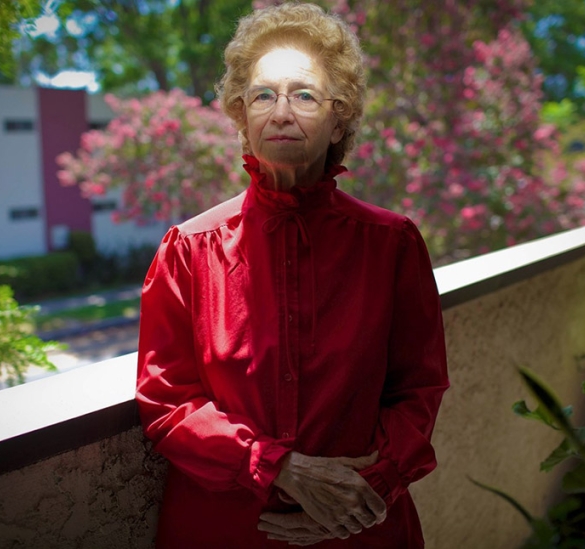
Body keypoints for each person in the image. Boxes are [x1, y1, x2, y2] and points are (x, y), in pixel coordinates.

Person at [135, 3, 449, 547]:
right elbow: (167, 402)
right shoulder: (188, 249)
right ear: (242, 117)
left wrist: (366, 491)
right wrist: (277, 466)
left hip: (360, 526)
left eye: (304, 95)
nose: (281, 113)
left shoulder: (392, 244)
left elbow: (418, 389)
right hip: (227, 529)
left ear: (339, 120)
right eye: (263, 96)